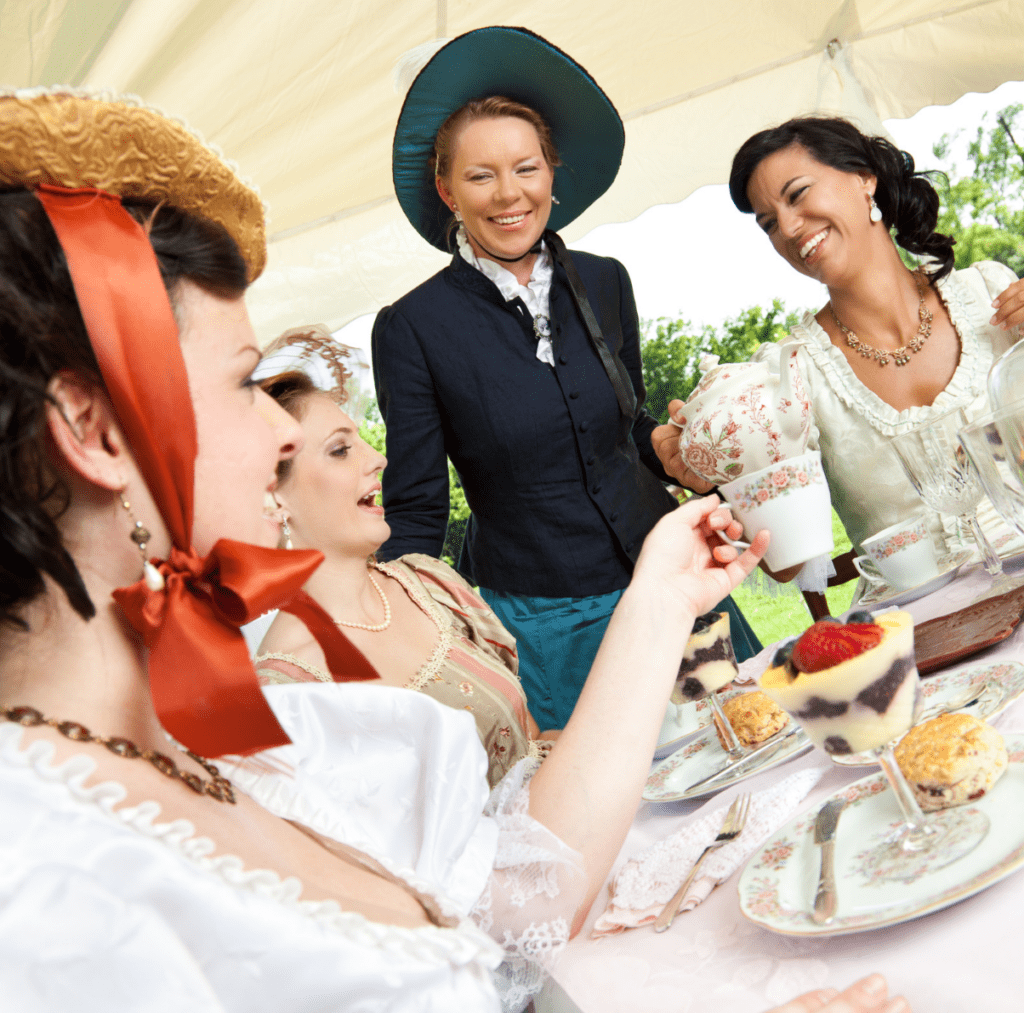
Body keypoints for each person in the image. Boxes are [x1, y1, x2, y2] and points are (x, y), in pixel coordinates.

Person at [0, 89, 910, 1013]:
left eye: (527, 167)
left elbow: (513, 908)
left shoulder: (259, 739)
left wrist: (661, 590)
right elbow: (419, 504)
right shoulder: (51, 895)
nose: (285, 435)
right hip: (539, 599)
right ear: (92, 429)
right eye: (244, 385)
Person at [372, 27, 760, 730]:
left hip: (666, 572)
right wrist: (394, 622)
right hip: (548, 620)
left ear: (553, 171)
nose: (508, 194)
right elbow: (418, 505)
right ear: (446, 190)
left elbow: (623, 424)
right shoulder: (412, 326)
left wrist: (665, 447)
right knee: (615, 818)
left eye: (526, 168)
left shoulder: (607, 282)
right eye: (480, 175)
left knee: (744, 744)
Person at [654, 115, 1024, 578]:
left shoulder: (991, 293)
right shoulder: (789, 376)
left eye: (798, 194)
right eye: (768, 223)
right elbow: (785, 563)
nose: (787, 228)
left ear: (863, 179)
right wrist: (720, 478)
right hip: (921, 628)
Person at [254, 334, 553, 789]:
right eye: (340, 449)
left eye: (362, 442)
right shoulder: (289, 692)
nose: (379, 458)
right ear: (272, 494)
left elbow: (530, 741)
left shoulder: (430, 584)